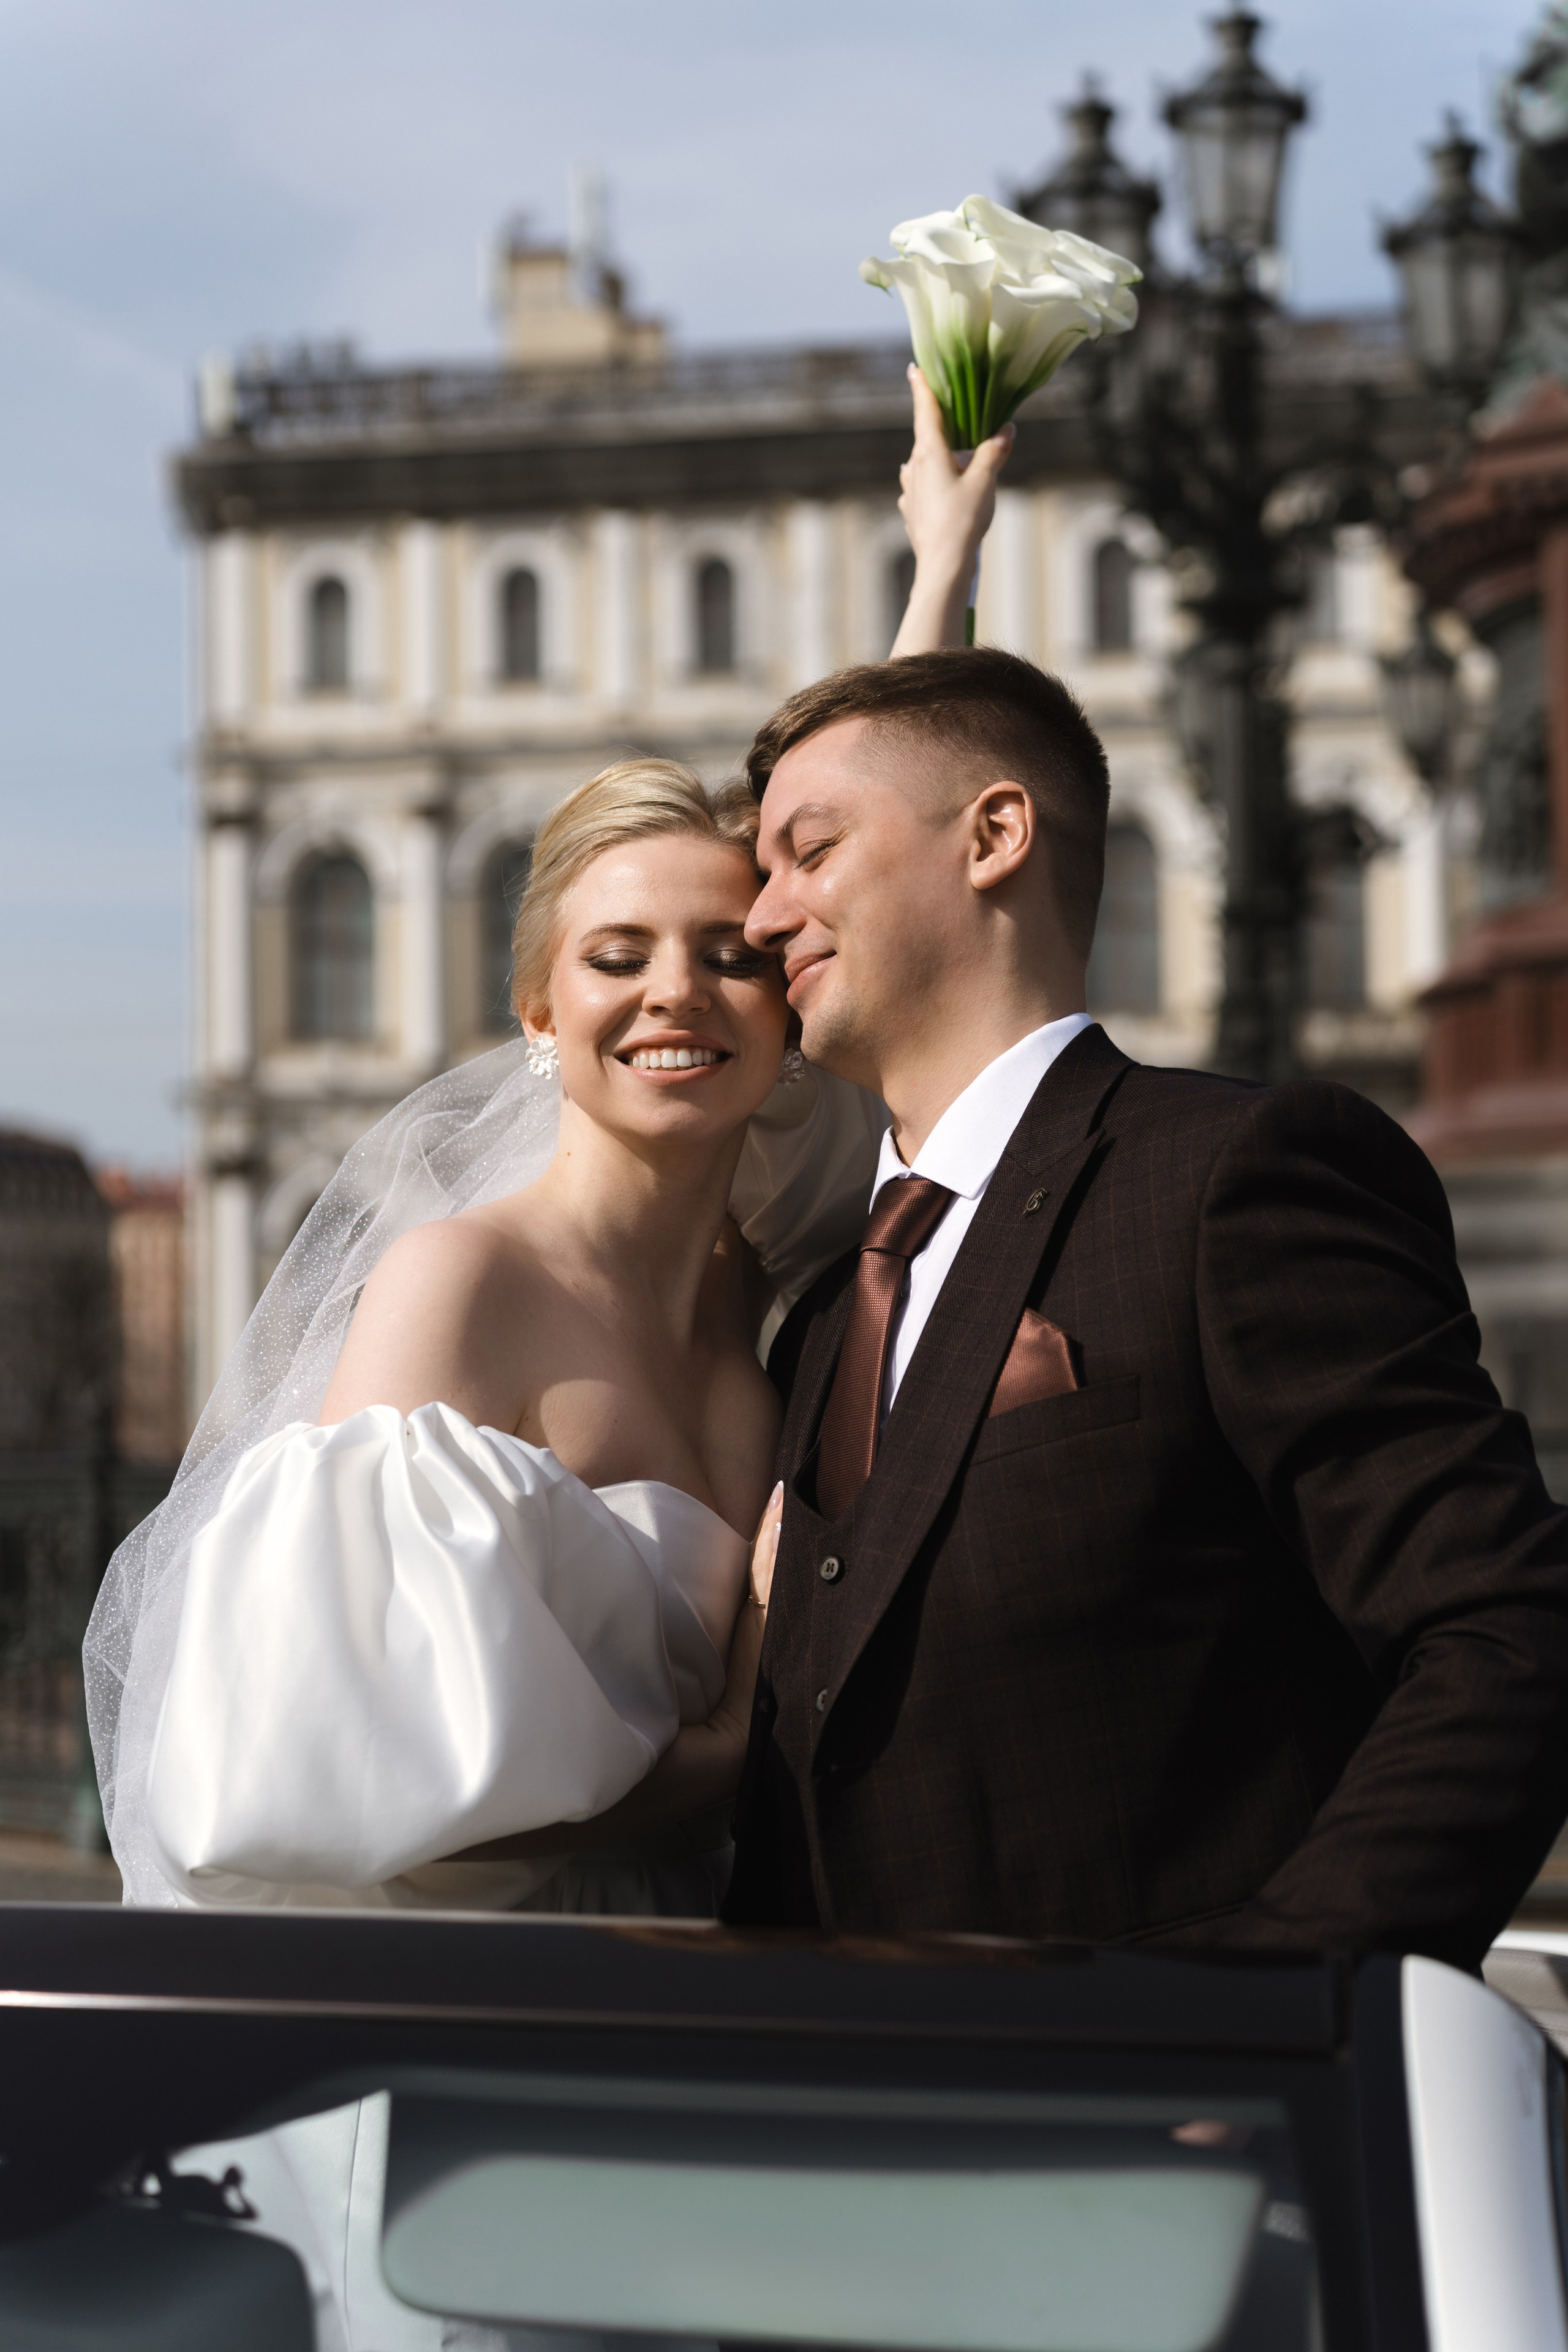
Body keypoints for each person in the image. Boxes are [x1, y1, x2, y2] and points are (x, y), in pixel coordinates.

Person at [86, 371, 1016, 1917]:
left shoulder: (779, 1268)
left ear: (787, 997)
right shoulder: (457, 1283)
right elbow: (327, 1774)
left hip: (728, 1980)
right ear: (537, 1011)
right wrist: (729, 1750)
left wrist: (942, 564)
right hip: (496, 1999)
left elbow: (884, 857)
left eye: (730, 953)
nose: (675, 993)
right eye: (615, 957)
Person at [725, 445, 1568, 1970]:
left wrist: (1266, 2008)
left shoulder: (1233, 1176)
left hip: (1177, 2093)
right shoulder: (823, 1311)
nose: (760, 914)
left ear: (994, 837)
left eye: (810, 852)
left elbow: (1503, 1627)